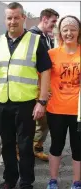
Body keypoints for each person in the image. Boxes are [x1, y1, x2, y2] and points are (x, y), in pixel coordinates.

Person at [0, 2, 52, 189]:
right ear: (5, 20)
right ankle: (9, 179)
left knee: (24, 146)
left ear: (23, 18)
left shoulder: (36, 41)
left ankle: (26, 182)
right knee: (6, 145)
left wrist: (42, 101)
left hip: (26, 103)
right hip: (2, 102)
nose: (12, 21)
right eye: (9, 18)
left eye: (16, 17)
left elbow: (46, 71)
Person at [45, 15, 81, 189]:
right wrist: (43, 94)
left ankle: (76, 182)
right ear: (60, 32)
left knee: (78, 148)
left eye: (73, 29)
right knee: (56, 145)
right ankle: (52, 180)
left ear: (78, 31)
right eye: (65, 29)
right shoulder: (51, 54)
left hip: (79, 111)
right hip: (56, 109)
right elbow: (41, 78)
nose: (69, 33)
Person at [29, 8, 59, 161]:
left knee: (44, 121)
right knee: (31, 121)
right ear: (44, 19)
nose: (54, 25)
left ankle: (36, 147)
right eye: (53, 21)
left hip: (44, 87)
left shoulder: (46, 37)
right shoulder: (32, 36)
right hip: (33, 87)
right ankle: (20, 149)